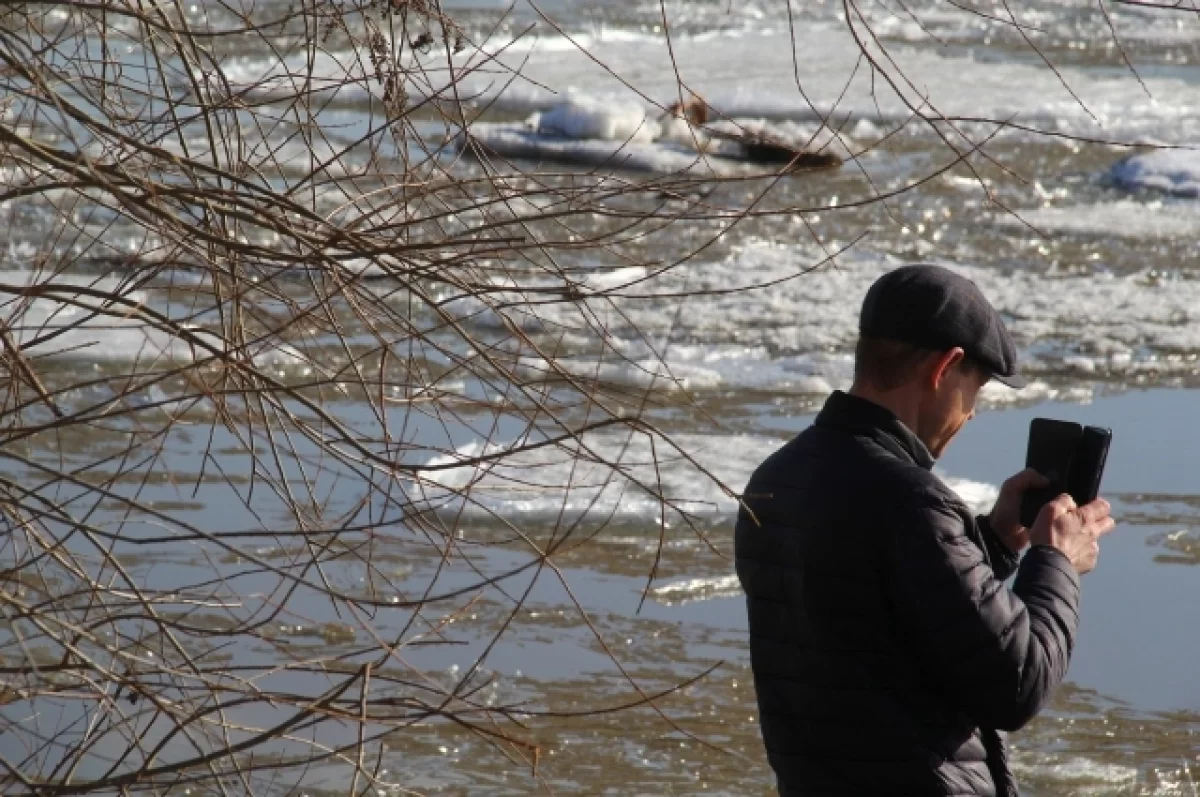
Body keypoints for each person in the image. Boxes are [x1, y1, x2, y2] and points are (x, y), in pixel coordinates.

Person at [734, 264, 1116, 796]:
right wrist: (1058, 563)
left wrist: (996, 543)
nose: (972, 413)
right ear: (945, 367)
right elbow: (1018, 683)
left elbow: (877, 618)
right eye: (975, 387)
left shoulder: (775, 478)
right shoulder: (912, 502)